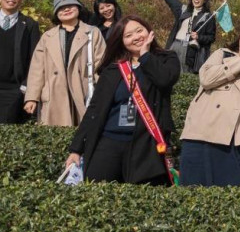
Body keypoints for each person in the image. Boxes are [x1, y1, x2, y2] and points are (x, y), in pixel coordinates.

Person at [65, 15, 181, 185]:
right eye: (128, 36)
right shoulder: (113, 69)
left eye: (139, 31)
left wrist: (145, 56)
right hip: (108, 142)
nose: (136, 37)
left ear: (149, 31)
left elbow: (165, 80)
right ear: (121, 41)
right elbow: (94, 110)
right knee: (98, 193)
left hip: (147, 143)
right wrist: (76, 149)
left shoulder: (166, 59)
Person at [179, 22, 240, 186]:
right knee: (194, 191)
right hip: (203, 133)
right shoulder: (222, 54)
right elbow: (206, 79)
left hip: (239, 140)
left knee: (238, 195)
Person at [23, 0, 107, 127]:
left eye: (70, 5)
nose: (66, 9)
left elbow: (101, 64)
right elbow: (37, 70)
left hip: (83, 91)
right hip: (54, 93)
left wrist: (102, 93)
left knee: (84, 135)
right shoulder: (47, 36)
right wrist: (31, 97)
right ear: (56, 13)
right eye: (61, 8)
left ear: (79, 8)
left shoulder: (92, 32)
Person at [163, 0, 217, 74]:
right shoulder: (184, 10)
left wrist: (199, 37)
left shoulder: (208, 17)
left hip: (189, 49)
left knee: (184, 73)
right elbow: (172, 2)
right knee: (169, 70)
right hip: (175, 45)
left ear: (205, 0)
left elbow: (211, 37)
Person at [50, 0, 121, 40]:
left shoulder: (122, 24)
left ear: (114, 5)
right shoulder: (94, 22)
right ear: (98, 11)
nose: (106, 10)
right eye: (101, 8)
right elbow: (81, 7)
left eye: (108, 6)